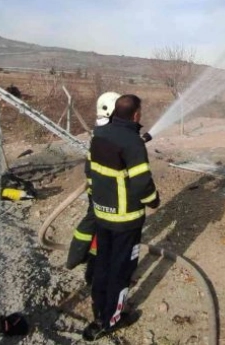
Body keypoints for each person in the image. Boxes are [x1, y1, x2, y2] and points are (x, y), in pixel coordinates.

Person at [83, 94, 160, 341]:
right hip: (126, 220)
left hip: (102, 215)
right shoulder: (133, 144)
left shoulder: (99, 135)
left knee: (103, 265)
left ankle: (98, 313)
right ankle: (111, 321)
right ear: (136, 115)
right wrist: (154, 200)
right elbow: (142, 183)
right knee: (121, 270)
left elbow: (92, 170)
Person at [66, 92, 121, 288]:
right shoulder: (110, 133)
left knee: (97, 224)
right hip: (106, 193)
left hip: (99, 190)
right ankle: (80, 259)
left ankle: (85, 261)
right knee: (99, 225)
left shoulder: (103, 130)